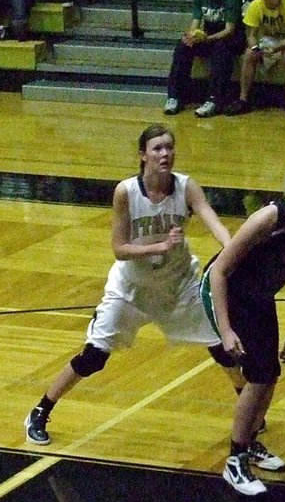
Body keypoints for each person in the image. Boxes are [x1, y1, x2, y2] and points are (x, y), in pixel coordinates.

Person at [24, 125, 231, 446]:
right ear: (143, 155)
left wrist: (233, 249)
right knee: (93, 357)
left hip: (178, 285)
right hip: (131, 288)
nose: (165, 154)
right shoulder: (126, 192)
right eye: (158, 148)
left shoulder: (187, 187)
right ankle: (41, 409)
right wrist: (159, 247)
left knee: (223, 347)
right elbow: (119, 249)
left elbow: (212, 220)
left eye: (170, 148)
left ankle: (251, 412)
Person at [201, 156, 285, 496]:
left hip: (259, 296)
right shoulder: (269, 218)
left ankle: (250, 441)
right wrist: (226, 329)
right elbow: (218, 271)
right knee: (259, 375)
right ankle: (235, 462)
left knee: (269, 373)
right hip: (227, 290)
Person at [164, 0, 242, 118]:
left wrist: (207, 39)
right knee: (183, 47)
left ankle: (214, 99)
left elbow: (229, 30)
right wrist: (191, 36)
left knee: (221, 49)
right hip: (210, 34)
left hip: (231, 38)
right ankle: (175, 96)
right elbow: (196, 22)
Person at [231, 0, 285, 119]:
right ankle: (243, 100)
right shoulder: (255, 5)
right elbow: (251, 35)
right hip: (270, 38)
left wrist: (276, 49)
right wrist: (256, 49)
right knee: (249, 53)